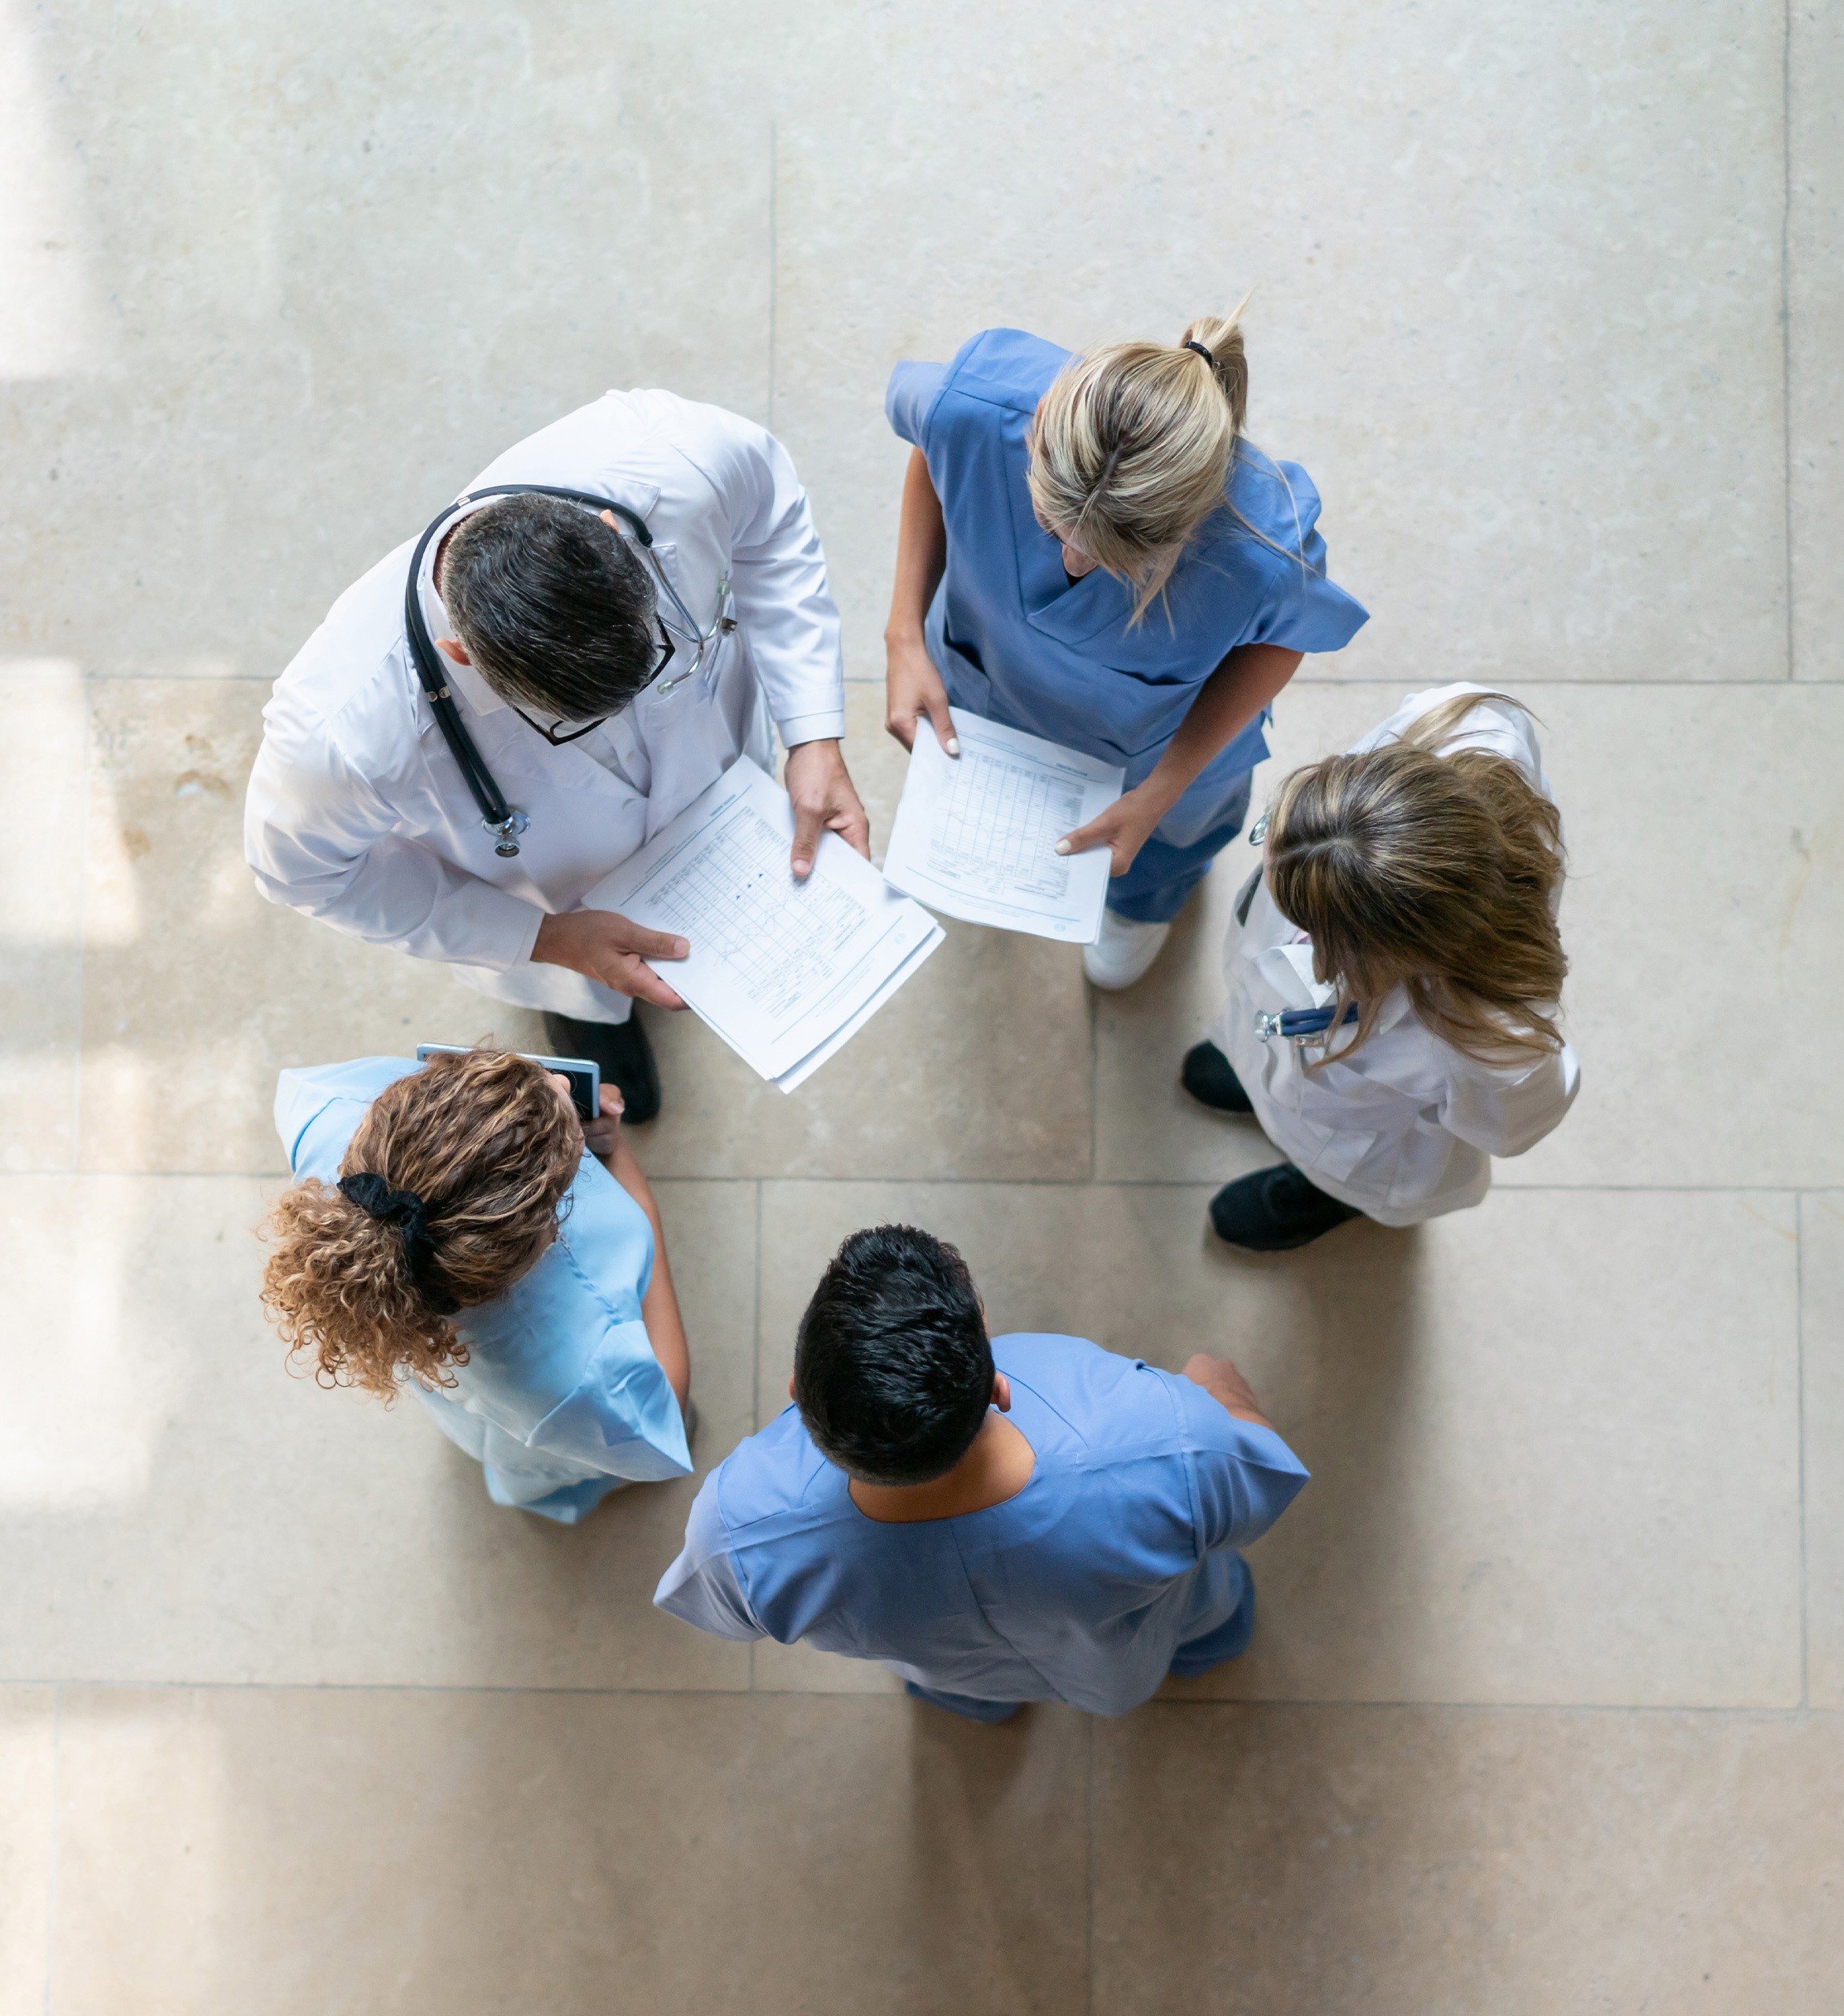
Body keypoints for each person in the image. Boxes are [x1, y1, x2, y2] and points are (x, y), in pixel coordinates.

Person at [246, 392, 870, 1122]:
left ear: (613, 535)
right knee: (593, 1005)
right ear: (461, 656)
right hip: (558, 904)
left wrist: (813, 731)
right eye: (571, 722)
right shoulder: (339, 735)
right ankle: (593, 1024)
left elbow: (773, 520)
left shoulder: (673, 458)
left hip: (719, 789)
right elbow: (300, 873)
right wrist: (541, 937)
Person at [881, 306, 1369, 989]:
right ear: (1040, 424)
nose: (1075, 564)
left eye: (1116, 556)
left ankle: (1142, 907)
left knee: (1160, 852)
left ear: (1197, 522)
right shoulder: (975, 407)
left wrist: (1161, 793)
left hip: (1162, 756)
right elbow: (935, 452)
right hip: (985, 675)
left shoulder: (1261, 548)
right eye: (1051, 524)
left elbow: (1283, 643)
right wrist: (904, 634)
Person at [654, 1225, 1307, 1718]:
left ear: (798, 1391)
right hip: (1119, 1665)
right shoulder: (1170, 1446)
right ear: (997, 1387)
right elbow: (1260, 1488)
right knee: (1201, 1621)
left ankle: (985, 1710)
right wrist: (1223, 1397)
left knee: (966, 1692)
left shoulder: (737, 1532)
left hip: (956, 1671)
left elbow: (717, 1611)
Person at [1182, 683, 1581, 1250]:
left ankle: (1323, 1195)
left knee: (1337, 1157)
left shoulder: (1493, 1042)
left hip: (1352, 1142)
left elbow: (1511, 1126)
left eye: (1309, 929)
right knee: (1264, 1035)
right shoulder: (1460, 727)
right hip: (1285, 1029)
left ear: (1375, 954)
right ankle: (1258, 1076)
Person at [264, 1045, 692, 1523]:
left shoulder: (329, 1111)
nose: (562, 1083)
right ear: (541, 1240)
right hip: (540, 1417)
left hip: (469, 1393)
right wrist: (633, 1189)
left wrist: (504, 1105)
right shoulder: (577, 1374)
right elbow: (663, 1408)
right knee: (566, 1461)